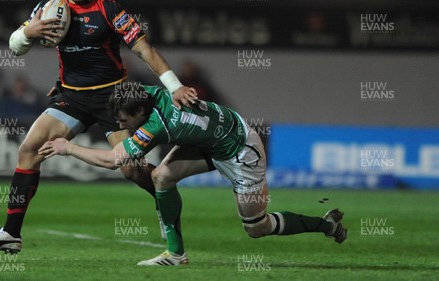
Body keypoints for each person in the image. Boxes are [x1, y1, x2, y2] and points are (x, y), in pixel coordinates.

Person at [0, 0, 198, 253]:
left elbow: (145, 50)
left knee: (130, 170)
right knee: (29, 149)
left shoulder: (110, 9)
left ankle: (161, 196)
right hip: (72, 97)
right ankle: (10, 234)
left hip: (111, 99)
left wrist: (175, 87)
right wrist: (28, 32)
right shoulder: (50, 7)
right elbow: (15, 47)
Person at [39, 82, 348, 266]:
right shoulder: (144, 95)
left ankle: (325, 224)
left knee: (257, 228)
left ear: (139, 114)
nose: (121, 126)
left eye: (124, 121)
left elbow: (112, 161)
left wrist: (68, 148)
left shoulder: (158, 125)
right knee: (161, 177)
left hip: (241, 151)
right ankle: (175, 254)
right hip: (212, 141)